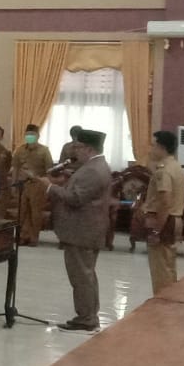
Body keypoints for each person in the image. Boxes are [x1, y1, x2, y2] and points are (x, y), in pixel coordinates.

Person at [45, 130, 113, 332]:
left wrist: (50, 187)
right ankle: (88, 315)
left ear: (89, 149)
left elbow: (76, 198)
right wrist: (70, 177)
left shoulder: (93, 170)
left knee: (81, 276)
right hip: (84, 229)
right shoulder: (94, 166)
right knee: (86, 275)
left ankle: (86, 318)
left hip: (82, 231)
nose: (74, 151)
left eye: (78, 147)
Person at [143, 130, 184, 295]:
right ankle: (171, 300)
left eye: (153, 145)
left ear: (162, 148)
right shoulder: (176, 166)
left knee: (160, 270)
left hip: (163, 220)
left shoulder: (164, 170)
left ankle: (162, 303)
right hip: (174, 219)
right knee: (169, 266)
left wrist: (156, 231)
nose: (151, 149)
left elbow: (165, 202)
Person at [11, 124, 53, 245]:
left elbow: (49, 171)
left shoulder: (44, 150)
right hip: (22, 185)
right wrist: (14, 185)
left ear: (38, 136)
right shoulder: (20, 150)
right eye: (28, 134)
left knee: (35, 213)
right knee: (22, 212)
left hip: (38, 184)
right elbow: (15, 168)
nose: (30, 137)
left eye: (32, 135)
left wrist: (47, 187)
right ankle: (22, 236)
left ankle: (34, 237)